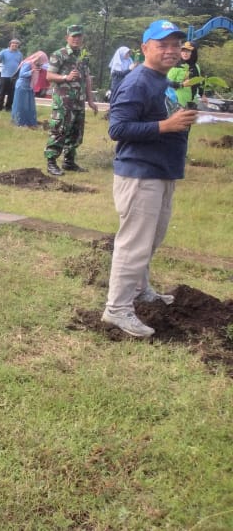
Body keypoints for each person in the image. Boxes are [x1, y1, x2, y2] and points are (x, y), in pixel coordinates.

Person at [101, 19, 197, 338]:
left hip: (162, 170)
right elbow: (117, 128)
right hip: (140, 173)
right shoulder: (137, 81)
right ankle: (117, 309)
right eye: (162, 44)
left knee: (151, 239)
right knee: (134, 244)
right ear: (145, 48)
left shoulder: (164, 79)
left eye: (175, 45)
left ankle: (141, 290)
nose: (171, 50)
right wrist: (165, 126)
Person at [44, 24, 98, 176]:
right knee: (59, 130)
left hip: (78, 101)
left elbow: (87, 78)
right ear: (67, 37)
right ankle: (51, 162)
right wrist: (65, 77)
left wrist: (90, 100)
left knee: (76, 132)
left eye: (79, 36)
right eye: (74, 36)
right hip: (63, 101)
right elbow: (49, 75)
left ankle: (69, 161)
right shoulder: (59, 54)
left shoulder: (83, 56)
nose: (76, 39)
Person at [11, 51, 47, 128]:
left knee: (29, 105)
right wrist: (31, 71)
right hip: (22, 86)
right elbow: (21, 74)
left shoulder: (34, 65)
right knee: (21, 104)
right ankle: (19, 121)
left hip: (29, 86)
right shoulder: (27, 63)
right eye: (41, 61)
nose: (41, 63)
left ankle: (29, 122)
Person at [0, 39, 23, 110]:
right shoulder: (4, 51)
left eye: (17, 44)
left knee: (12, 93)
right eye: (13, 43)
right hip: (5, 76)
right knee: (2, 92)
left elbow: (21, 65)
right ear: (10, 44)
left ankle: (8, 107)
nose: (15, 45)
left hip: (14, 77)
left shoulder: (19, 54)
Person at [166, 41, 201, 107]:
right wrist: (181, 84)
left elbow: (199, 83)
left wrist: (202, 95)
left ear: (193, 53)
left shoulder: (196, 67)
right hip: (178, 103)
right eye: (183, 51)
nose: (185, 53)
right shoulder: (176, 66)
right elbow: (166, 82)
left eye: (188, 51)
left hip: (194, 102)